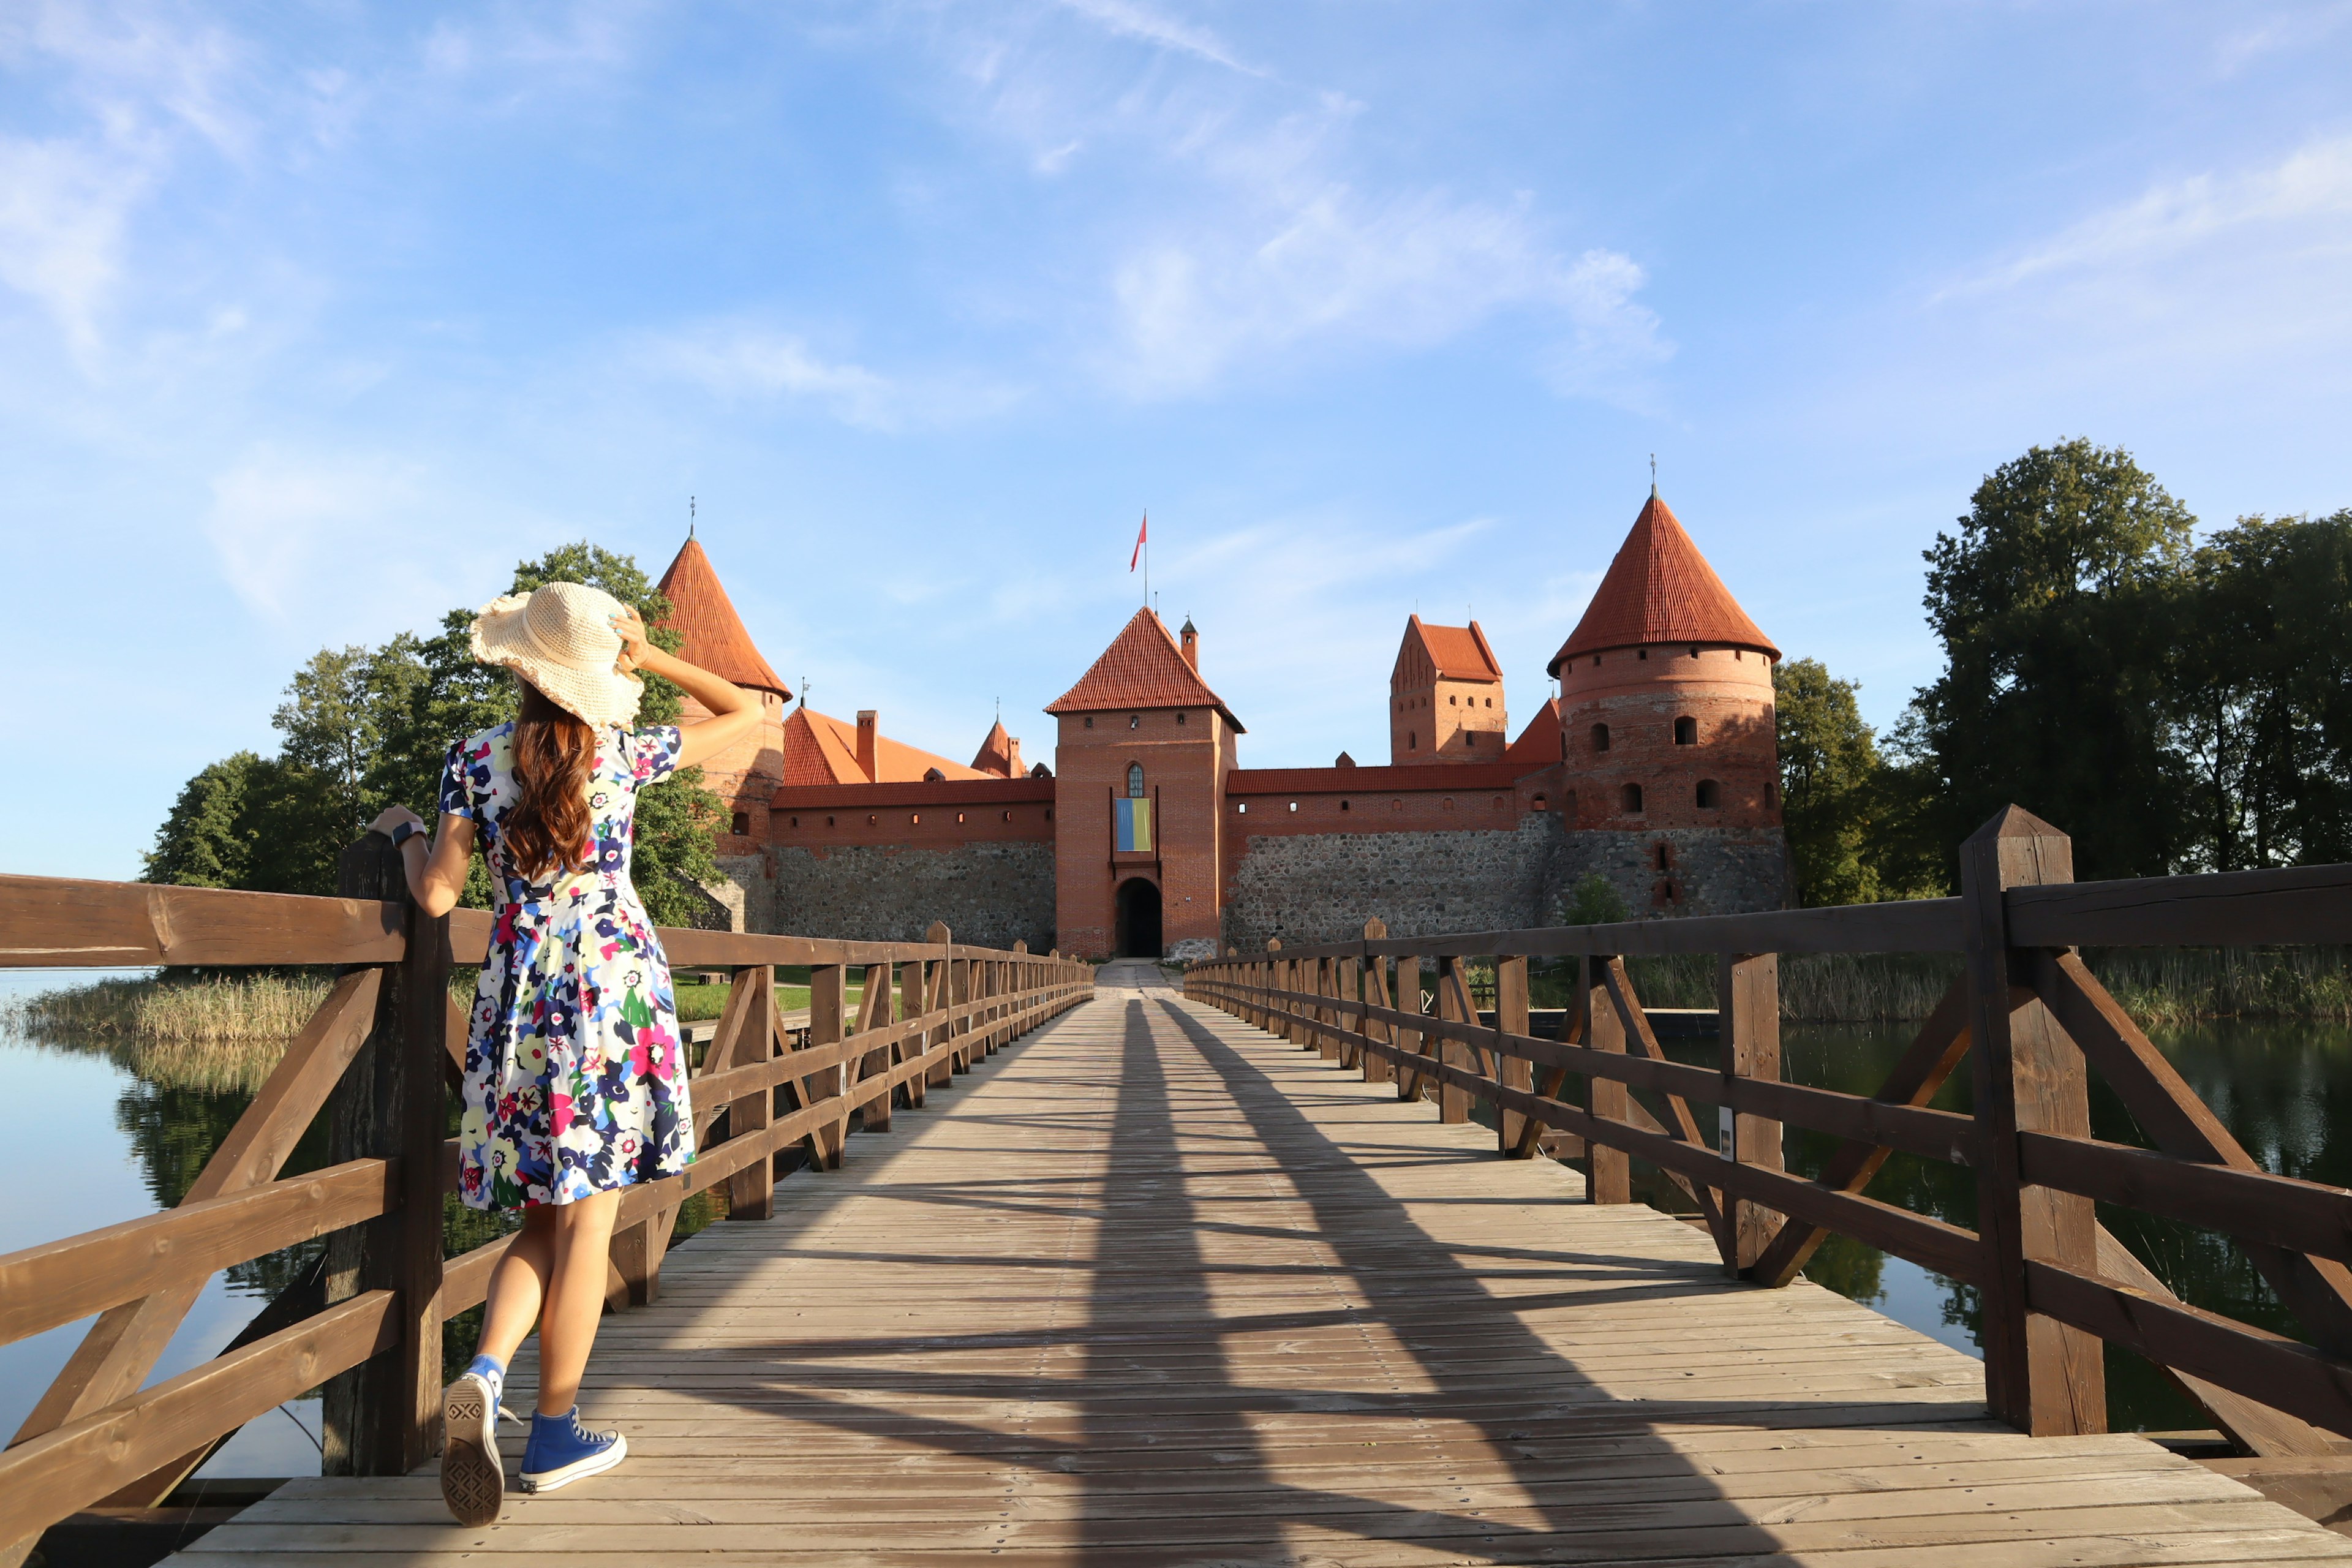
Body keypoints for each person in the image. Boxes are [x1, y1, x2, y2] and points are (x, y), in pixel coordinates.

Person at [369, 581, 758, 1526]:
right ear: (590, 678)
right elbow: (747, 715)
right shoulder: (623, 753)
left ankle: (488, 1369)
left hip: (521, 994)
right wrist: (653, 657)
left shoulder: (472, 758)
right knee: (592, 1221)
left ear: (524, 671)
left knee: (546, 1215)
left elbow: (433, 900)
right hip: (613, 990)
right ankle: (554, 1432)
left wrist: (410, 836)